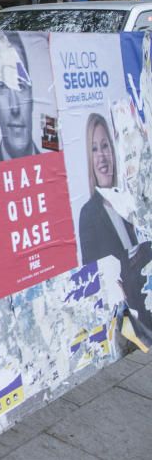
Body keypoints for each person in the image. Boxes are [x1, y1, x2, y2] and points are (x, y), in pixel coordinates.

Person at [78, 113, 152, 337]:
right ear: (89, 159)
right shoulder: (88, 214)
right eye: (94, 149)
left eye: (105, 146)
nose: (101, 156)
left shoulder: (129, 198)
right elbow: (100, 276)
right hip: (128, 317)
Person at [0, 35, 39, 163]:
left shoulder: (58, 168)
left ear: (31, 94)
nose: (14, 107)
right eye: (3, 87)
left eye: (20, 85)